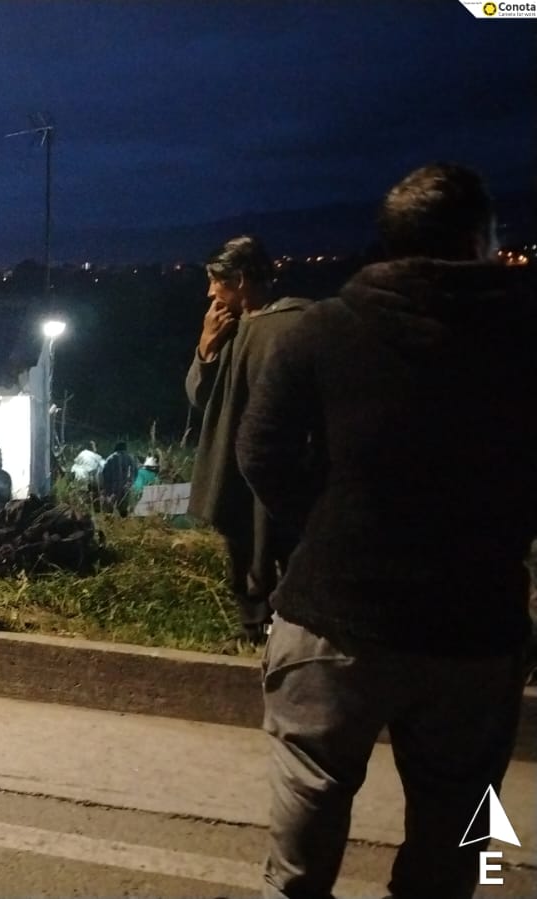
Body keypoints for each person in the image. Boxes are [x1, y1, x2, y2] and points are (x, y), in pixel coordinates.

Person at [238, 163, 537, 899]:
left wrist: (331, 525)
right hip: (474, 627)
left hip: (330, 616)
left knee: (304, 823)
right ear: (477, 241)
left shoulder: (322, 330)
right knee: (458, 829)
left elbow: (260, 453)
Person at [185, 235, 310, 646]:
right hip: (235, 461)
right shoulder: (231, 330)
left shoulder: (294, 325)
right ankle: (253, 628)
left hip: (285, 463)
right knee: (243, 544)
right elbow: (202, 397)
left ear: (239, 280)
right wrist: (206, 347)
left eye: (215, 282)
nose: (210, 292)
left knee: (286, 546)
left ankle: (293, 632)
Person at [97, 441, 138, 516]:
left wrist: (103, 487)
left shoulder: (110, 458)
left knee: (111, 508)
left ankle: (112, 524)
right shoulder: (130, 458)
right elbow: (135, 472)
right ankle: (124, 524)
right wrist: (130, 482)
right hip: (125, 488)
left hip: (112, 489)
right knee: (123, 508)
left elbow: (103, 473)